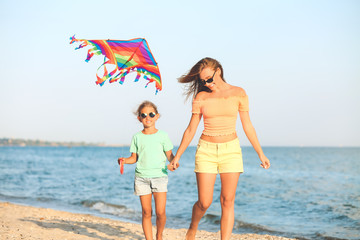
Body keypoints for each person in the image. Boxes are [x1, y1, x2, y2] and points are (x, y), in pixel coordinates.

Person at [169, 57, 270, 240]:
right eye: (203, 81)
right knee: (204, 202)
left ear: (219, 71)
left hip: (231, 150)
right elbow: (191, 128)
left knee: (227, 201)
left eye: (209, 79)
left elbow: (248, 125)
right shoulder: (201, 97)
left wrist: (260, 153)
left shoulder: (239, 93)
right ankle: (192, 228)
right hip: (206, 151)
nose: (207, 83)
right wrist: (178, 156)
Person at [118, 100, 175, 240]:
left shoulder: (163, 136)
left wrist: (174, 162)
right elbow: (134, 158)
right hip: (141, 178)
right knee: (146, 212)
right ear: (139, 118)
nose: (147, 117)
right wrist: (125, 160)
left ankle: (159, 236)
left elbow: (170, 156)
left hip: (160, 177)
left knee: (160, 212)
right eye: (144, 115)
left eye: (151, 114)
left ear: (157, 116)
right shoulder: (137, 137)